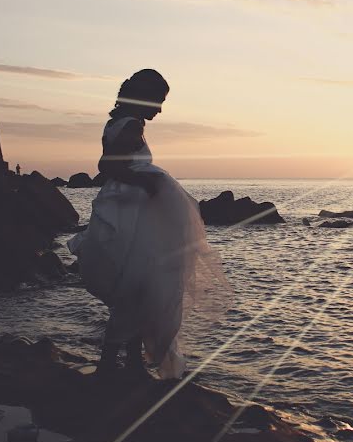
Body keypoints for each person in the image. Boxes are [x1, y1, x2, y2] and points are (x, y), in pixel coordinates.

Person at [67, 69, 230, 379]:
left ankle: (130, 363)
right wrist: (142, 181)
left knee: (136, 287)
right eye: (158, 101)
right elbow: (107, 165)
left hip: (129, 208)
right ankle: (112, 365)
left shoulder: (123, 122)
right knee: (137, 286)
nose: (159, 109)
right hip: (131, 211)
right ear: (143, 98)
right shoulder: (129, 125)